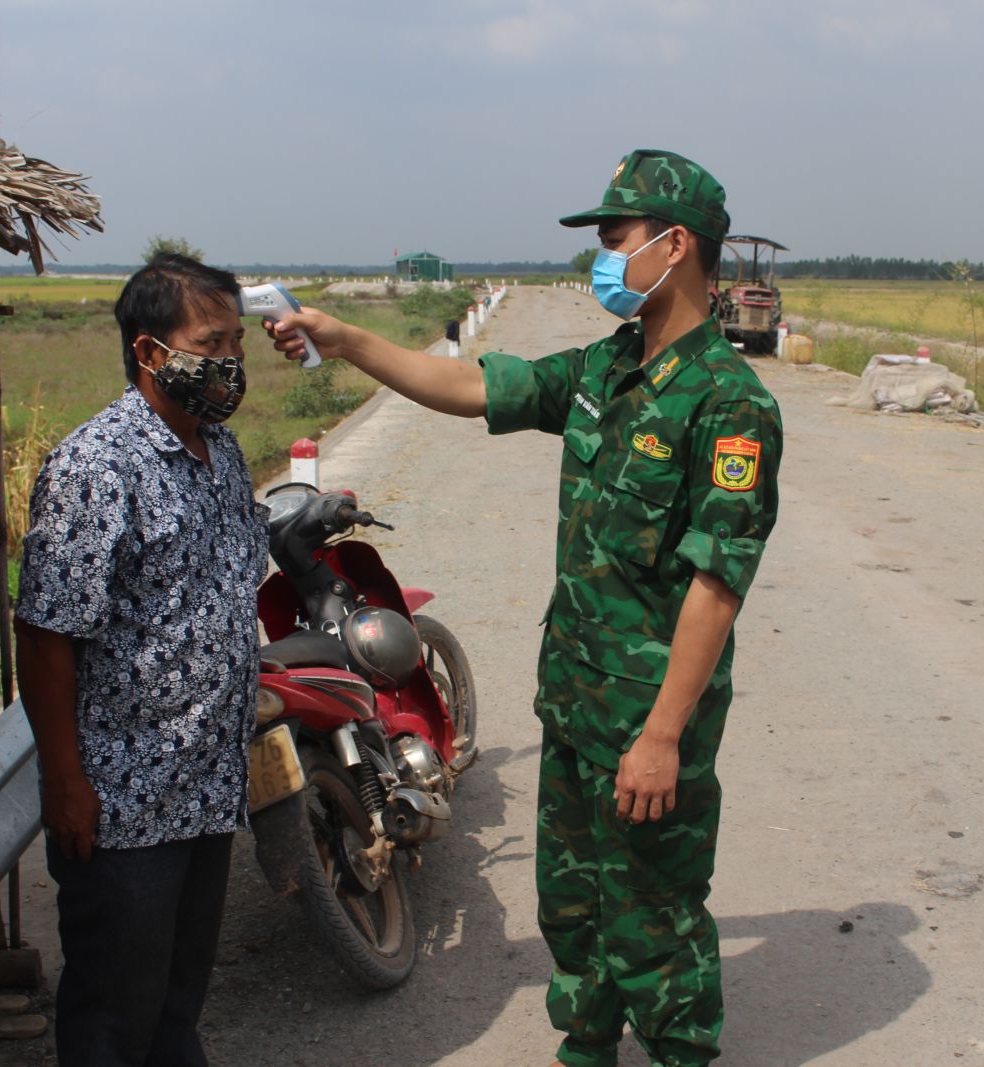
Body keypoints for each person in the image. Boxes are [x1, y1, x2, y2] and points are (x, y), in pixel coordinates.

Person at [265, 149, 781, 1067]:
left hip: (646, 718)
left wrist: (662, 734)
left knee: (653, 921)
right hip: (576, 703)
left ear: (676, 245)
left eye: (615, 238)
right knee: (574, 910)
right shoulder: (606, 368)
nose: (603, 259)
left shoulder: (729, 403)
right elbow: (474, 388)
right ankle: (584, 1049)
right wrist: (349, 340)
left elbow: (716, 585)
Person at [14, 253, 269, 1066]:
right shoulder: (96, 468)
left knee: (177, 997)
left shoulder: (219, 452)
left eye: (237, 343)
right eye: (211, 343)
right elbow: (46, 636)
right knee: (112, 1013)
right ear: (150, 352)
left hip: (206, 784)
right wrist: (65, 782)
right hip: (125, 802)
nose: (229, 363)